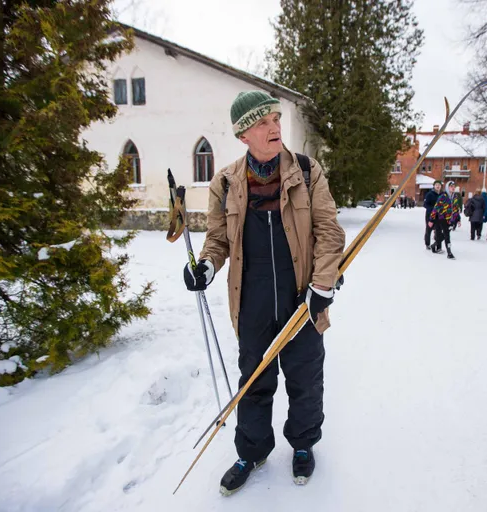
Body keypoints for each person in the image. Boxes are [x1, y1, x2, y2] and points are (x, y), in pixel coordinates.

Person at [183, 90, 346, 495]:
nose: (275, 127)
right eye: (263, 122)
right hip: (252, 300)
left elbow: (329, 231)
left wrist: (322, 284)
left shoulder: (307, 172)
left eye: (275, 118)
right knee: (253, 380)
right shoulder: (225, 182)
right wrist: (206, 265)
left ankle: (304, 445)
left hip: (302, 298)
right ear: (243, 135)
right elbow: (218, 240)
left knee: (305, 379)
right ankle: (252, 450)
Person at [428, 180, 461, 259]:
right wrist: (431, 219)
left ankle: (434, 245)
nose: (453, 188)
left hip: (451, 220)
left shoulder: (455, 197)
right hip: (442, 218)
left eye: (454, 187)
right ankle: (449, 253)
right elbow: (436, 208)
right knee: (447, 235)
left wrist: (458, 219)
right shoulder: (443, 196)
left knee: (444, 236)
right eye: (451, 187)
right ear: (447, 187)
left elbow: (456, 209)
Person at [422, 180, 442, 249]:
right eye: (436, 185)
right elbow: (425, 204)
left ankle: (438, 245)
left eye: (439, 185)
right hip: (430, 215)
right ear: (434, 186)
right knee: (429, 229)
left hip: (439, 215)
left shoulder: (442, 194)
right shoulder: (429, 194)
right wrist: (433, 209)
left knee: (438, 229)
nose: (438, 186)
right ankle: (427, 243)